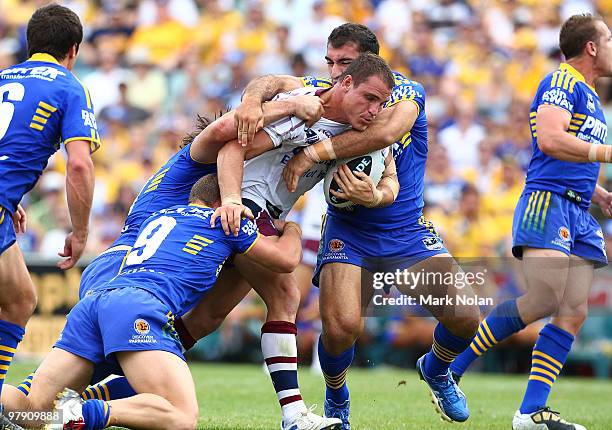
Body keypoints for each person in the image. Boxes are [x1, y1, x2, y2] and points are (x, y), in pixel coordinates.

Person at [229, 23, 481, 427]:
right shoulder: (335, 91)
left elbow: (386, 133)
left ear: (369, 63)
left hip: (406, 231)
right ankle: (336, 395)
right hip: (348, 231)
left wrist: (314, 155)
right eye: (330, 63)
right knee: (342, 327)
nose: (333, 74)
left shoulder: (405, 93)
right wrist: (251, 101)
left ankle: (435, 368)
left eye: (343, 63)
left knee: (467, 317)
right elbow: (272, 80)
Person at [4, 174, 304, 430]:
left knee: (32, 409)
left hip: (96, 302)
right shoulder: (226, 219)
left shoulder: (163, 215)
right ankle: (81, 414)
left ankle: (62, 409)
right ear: (223, 200)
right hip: (139, 306)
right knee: (181, 414)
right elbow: (287, 260)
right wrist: (291, 228)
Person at [447, 14, 612, 430]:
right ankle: (449, 367)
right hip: (548, 203)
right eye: (608, 38)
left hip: (577, 207)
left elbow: (565, 155)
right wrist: (606, 154)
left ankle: (530, 412)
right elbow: (552, 140)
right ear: (591, 47)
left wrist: (598, 192)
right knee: (545, 297)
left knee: (572, 311)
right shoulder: (562, 82)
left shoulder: (590, 94)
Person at [0, 5, 97, 425]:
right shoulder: (69, 86)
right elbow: (78, 165)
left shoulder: (2, 78)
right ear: (73, 49)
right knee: (17, 300)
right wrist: (80, 230)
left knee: (20, 298)